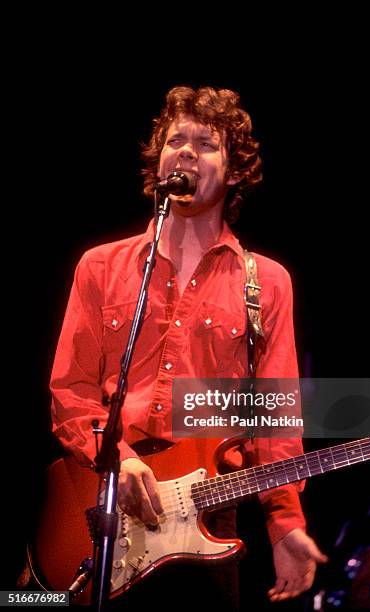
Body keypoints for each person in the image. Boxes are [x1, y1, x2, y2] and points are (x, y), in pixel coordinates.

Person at [50, 86, 327, 610]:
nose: (185, 152)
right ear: (158, 159)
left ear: (236, 170)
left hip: (206, 515)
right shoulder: (100, 266)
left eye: (206, 144)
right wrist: (119, 458)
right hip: (100, 493)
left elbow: (276, 419)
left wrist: (285, 524)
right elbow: (71, 389)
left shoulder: (267, 283)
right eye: (176, 140)